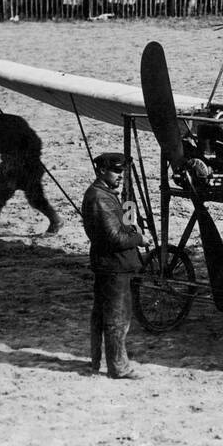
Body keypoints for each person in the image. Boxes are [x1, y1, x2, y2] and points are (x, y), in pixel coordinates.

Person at [81, 152, 145, 379]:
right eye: (117, 171)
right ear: (101, 171)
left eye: (123, 171)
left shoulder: (105, 194)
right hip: (114, 266)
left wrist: (131, 224)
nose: (121, 176)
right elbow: (115, 238)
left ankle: (97, 363)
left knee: (101, 314)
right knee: (118, 318)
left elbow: (119, 228)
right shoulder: (101, 198)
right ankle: (119, 367)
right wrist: (139, 238)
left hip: (107, 265)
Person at [0, 96, 61, 249]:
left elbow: (36, 142)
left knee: (31, 199)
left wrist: (23, 159)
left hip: (27, 167)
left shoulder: (10, 122)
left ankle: (55, 220)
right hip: (12, 167)